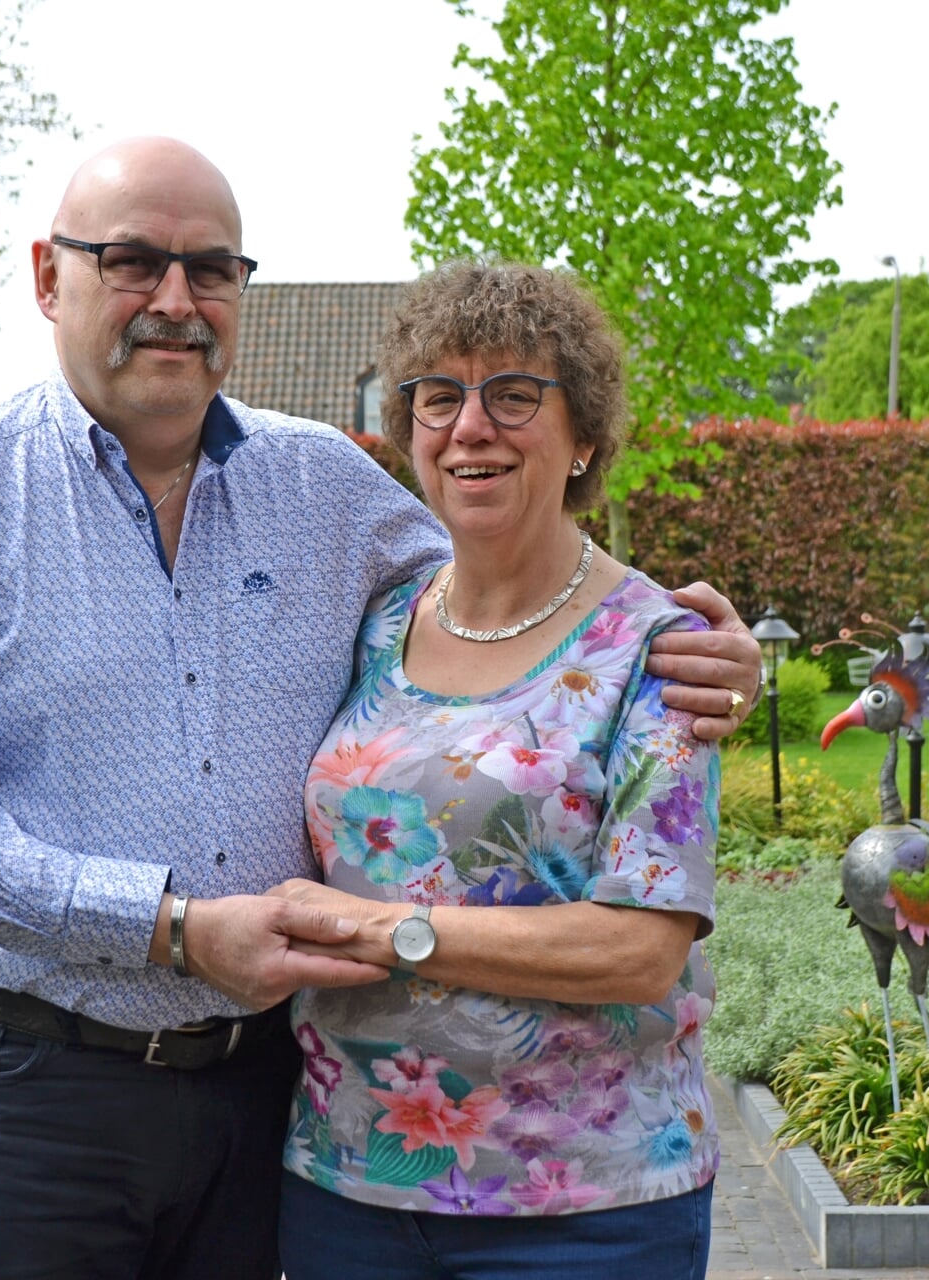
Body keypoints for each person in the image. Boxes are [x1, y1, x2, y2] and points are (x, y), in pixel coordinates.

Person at [0, 136, 760, 1280]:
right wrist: (156, 923)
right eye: (133, 261)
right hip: (35, 1097)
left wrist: (698, 644)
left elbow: (524, 583)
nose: (176, 300)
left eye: (211, 269)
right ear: (46, 276)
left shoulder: (326, 488)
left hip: (265, 1099)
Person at [264, 262, 723, 1280]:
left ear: (585, 436)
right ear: (412, 429)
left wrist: (391, 930)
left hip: (583, 1206)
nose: (472, 425)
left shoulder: (657, 648)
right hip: (348, 1184)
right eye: (441, 395)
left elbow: (640, 951)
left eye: (515, 394)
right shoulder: (376, 621)